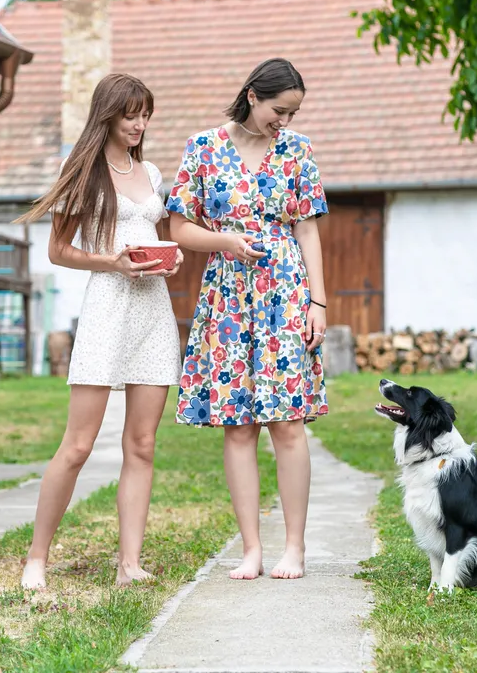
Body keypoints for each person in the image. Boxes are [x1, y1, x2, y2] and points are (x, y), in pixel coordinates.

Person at [16, 72, 184, 589]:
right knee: (79, 445)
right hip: (108, 307)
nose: (139, 123)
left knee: (143, 443)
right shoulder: (83, 170)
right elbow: (57, 251)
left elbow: (154, 231)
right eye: (130, 114)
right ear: (107, 115)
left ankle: (129, 563)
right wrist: (110, 264)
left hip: (153, 309)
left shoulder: (151, 171)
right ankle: (37, 558)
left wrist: (167, 261)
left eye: (145, 114)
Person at [166, 57, 328, 581]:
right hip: (228, 295)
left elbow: (307, 232)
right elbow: (178, 229)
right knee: (238, 427)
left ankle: (294, 548)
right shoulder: (203, 148)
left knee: (288, 424)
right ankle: (252, 550)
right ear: (254, 95)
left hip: (285, 292)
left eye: (294, 113)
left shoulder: (298, 150)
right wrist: (224, 242)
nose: (285, 121)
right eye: (279, 110)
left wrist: (318, 303)